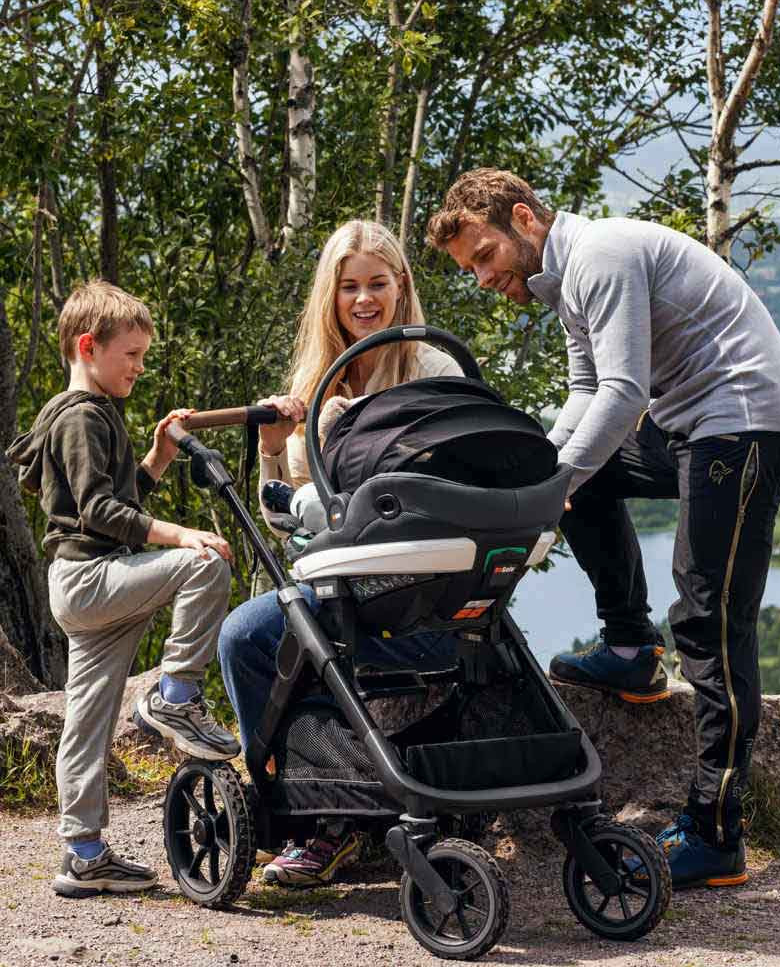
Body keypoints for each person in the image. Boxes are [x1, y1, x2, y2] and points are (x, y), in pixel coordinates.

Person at [426, 169, 780, 890]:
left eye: (484, 256)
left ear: (524, 220)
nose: (481, 278)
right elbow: (584, 394)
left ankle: (716, 832)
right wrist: (542, 476)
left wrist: (553, 488)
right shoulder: (568, 276)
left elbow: (624, 393)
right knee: (590, 474)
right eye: (469, 268)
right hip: (697, 430)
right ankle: (631, 647)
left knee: (709, 621)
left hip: (744, 430)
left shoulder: (600, 256)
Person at [218, 219, 461, 888]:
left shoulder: (430, 370)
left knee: (256, 637)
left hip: (411, 592)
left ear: (400, 285)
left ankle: (318, 821)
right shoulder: (315, 380)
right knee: (263, 633)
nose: (363, 300)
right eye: (349, 287)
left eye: (376, 284)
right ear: (330, 295)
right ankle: (318, 814)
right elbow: (287, 520)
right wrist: (272, 447)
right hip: (342, 586)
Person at [6, 280, 239, 898]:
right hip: (92, 577)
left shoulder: (82, 413)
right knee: (205, 562)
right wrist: (181, 534)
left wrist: (158, 456)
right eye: (131, 354)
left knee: (86, 721)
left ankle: (83, 854)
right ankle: (177, 695)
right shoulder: (82, 416)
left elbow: (118, 498)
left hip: (80, 584)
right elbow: (99, 511)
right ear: (89, 346)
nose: (139, 366)